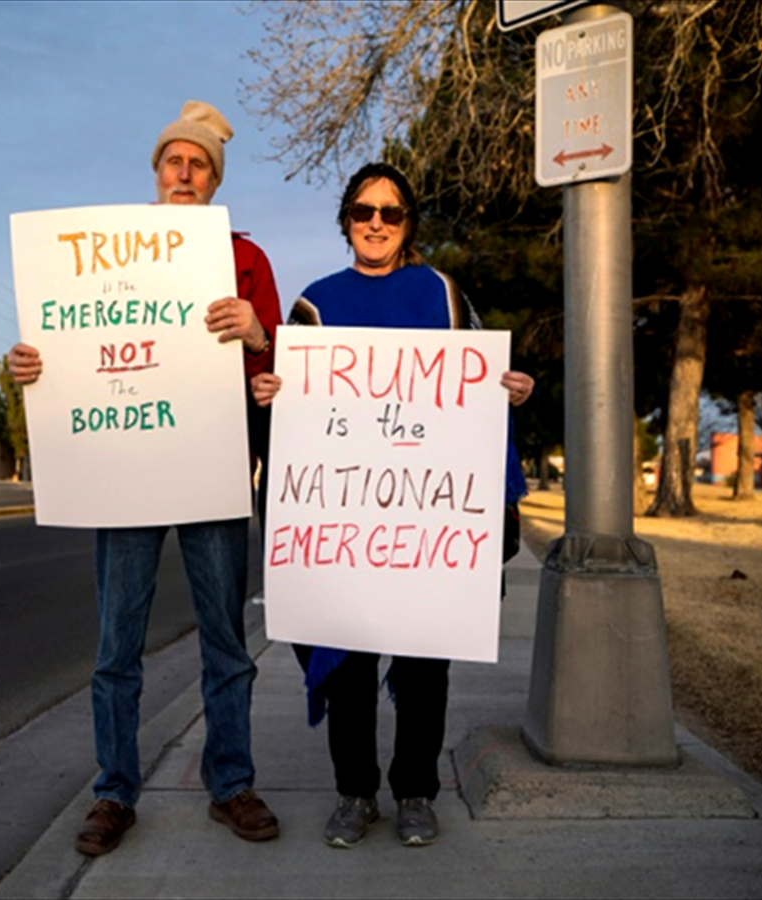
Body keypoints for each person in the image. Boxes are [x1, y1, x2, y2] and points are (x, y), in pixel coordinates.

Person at [8, 100, 284, 856]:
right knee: (115, 646)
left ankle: (230, 783)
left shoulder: (247, 260)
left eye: (199, 164)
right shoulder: (102, 257)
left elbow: (275, 372)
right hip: (125, 473)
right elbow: (64, 350)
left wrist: (259, 334)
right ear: (158, 172)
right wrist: (30, 367)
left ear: (214, 178)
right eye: (175, 161)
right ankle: (114, 792)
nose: (185, 172)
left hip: (214, 468)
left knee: (226, 642)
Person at [251, 162, 533, 849]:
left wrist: (511, 391)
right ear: (346, 219)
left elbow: (478, 384)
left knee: (423, 664)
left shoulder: (441, 293)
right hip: (346, 524)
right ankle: (355, 793)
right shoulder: (314, 303)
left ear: (409, 224)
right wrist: (271, 400)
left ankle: (414, 791)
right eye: (362, 211)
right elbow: (291, 418)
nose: (375, 222)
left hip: (426, 522)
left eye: (391, 212)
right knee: (346, 664)